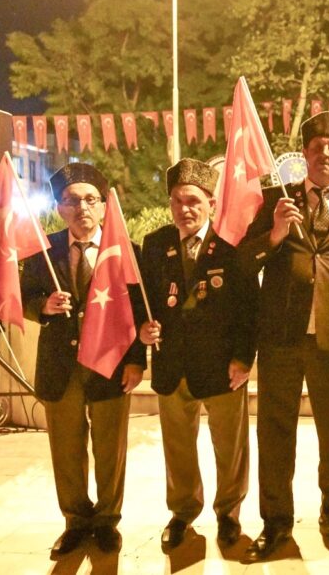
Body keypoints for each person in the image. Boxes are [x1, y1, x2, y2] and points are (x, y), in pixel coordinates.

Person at [238, 111, 329, 562]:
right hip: (281, 338)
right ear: (304, 155)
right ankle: (276, 523)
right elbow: (243, 263)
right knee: (275, 435)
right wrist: (276, 234)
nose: (325, 154)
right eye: (317, 148)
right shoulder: (276, 201)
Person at [20, 163, 145, 559]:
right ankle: (75, 521)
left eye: (91, 199)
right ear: (60, 208)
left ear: (104, 206)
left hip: (111, 365)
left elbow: (140, 311)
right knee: (66, 450)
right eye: (72, 201)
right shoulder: (42, 250)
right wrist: (43, 306)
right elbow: (23, 297)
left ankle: (107, 521)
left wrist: (137, 362)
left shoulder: (125, 251)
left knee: (110, 448)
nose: (82, 208)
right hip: (61, 367)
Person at [134, 159, 253, 552]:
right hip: (173, 364)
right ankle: (183, 512)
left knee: (230, 446)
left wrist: (244, 358)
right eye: (177, 201)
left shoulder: (231, 244)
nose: (185, 209)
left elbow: (249, 307)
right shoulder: (155, 245)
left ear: (211, 204)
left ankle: (229, 512)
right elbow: (144, 300)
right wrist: (143, 328)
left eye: (193, 201)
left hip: (222, 365)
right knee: (178, 446)